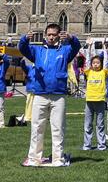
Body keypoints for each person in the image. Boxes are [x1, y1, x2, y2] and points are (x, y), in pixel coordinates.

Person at [19, 24, 82, 167]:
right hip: (40, 94)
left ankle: (58, 158)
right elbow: (22, 49)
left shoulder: (65, 51)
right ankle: (34, 157)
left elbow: (76, 47)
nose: (52, 37)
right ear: (45, 36)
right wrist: (24, 39)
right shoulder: (37, 51)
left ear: (59, 35)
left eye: (54, 34)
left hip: (58, 95)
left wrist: (71, 38)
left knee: (58, 128)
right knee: (37, 127)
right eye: (49, 34)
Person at [81, 54, 108, 151]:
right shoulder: (89, 72)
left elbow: (106, 61)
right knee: (88, 124)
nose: (95, 64)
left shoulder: (103, 72)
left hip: (100, 100)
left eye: (98, 63)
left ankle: (101, 145)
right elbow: (87, 60)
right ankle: (87, 145)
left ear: (101, 64)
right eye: (94, 63)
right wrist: (89, 47)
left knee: (100, 124)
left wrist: (105, 48)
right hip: (89, 100)